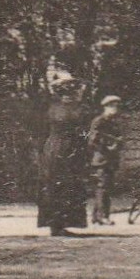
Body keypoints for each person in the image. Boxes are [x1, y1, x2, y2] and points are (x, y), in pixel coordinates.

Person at [37, 78, 89, 237]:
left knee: (56, 185)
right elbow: (82, 130)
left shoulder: (53, 108)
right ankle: (60, 224)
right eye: (76, 92)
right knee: (65, 185)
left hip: (53, 148)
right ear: (71, 93)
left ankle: (56, 224)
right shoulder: (74, 110)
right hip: (66, 149)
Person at [86, 94, 126, 226]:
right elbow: (93, 140)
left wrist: (117, 144)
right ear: (105, 107)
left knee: (105, 188)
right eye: (112, 106)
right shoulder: (99, 121)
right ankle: (103, 216)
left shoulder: (114, 122)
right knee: (103, 187)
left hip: (111, 160)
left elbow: (120, 140)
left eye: (116, 106)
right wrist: (108, 147)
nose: (115, 109)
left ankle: (96, 216)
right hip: (101, 159)